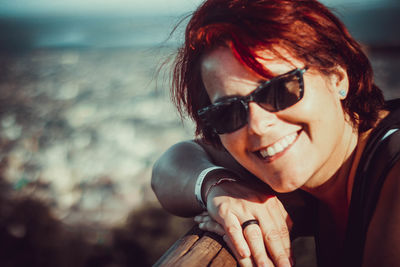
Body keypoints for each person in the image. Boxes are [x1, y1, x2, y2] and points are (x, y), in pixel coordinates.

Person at [151, 0, 400, 266]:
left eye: (280, 91)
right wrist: (218, 186)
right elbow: (168, 168)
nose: (257, 124)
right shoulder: (325, 165)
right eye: (227, 111)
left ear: (338, 77)